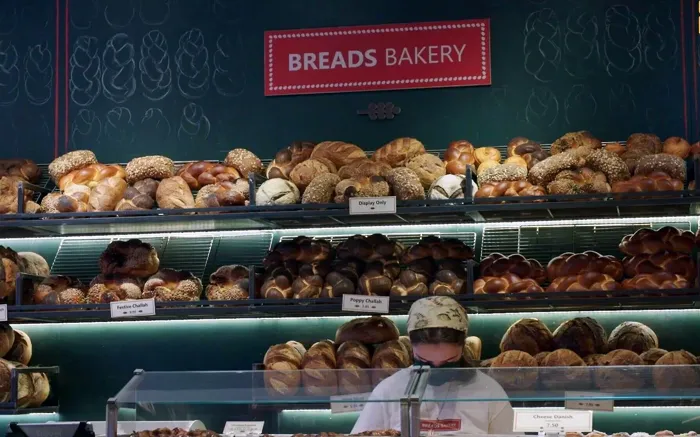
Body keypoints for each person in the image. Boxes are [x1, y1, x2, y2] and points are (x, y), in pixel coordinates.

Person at [351, 296, 514, 434]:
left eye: (449, 362)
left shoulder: (489, 391)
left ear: (463, 346)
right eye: (425, 362)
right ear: (411, 346)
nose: (437, 369)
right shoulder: (388, 390)